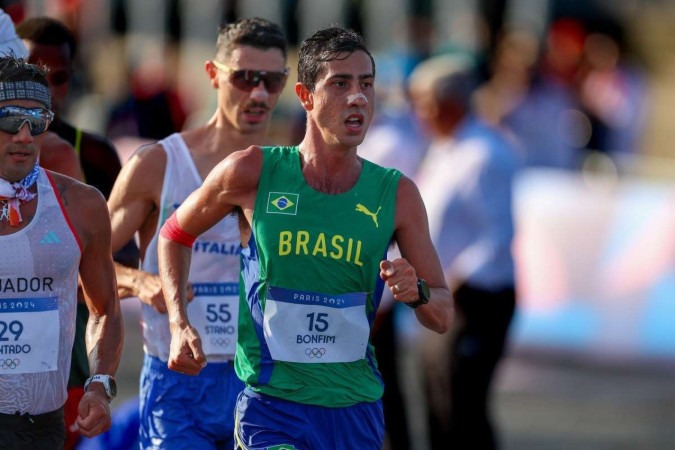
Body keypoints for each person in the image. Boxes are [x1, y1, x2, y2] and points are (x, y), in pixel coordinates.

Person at [158, 26, 453, 450]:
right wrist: (178, 323)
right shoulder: (253, 171)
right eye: (340, 83)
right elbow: (174, 233)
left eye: (366, 84)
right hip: (272, 408)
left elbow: (442, 315)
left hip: (355, 409)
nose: (358, 98)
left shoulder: (397, 193)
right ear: (305, 96)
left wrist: (418, 292)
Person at [106, 17, 289, 449]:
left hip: (263, 379)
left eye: (272, 80)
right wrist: (141, 281)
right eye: (244, 78)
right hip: (180, 380)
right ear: (213, 75)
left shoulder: (292, 173)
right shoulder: (158, 165)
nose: (259, 93)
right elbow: (79, 265)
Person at [15, 16, 140, 450]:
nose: (24, 133)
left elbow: (110, 289)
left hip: (60, 381)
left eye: (37, 118)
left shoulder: (86, 180)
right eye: (10, 117)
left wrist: (99, 384)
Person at [408, 54, 519, 450]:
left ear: (447, 103)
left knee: (463, 407)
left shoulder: (484, 154)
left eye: (422, 102)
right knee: (439, 401)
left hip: (475, 298)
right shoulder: (444, 149)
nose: (417, 113)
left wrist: (449, 285)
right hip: (444, 294)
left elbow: (496, 236)